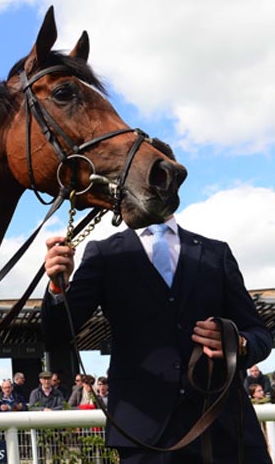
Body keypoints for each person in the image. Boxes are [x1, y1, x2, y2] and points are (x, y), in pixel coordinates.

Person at [43, 182, 272, 462]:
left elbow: (261, 334)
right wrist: (57, 289)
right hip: (144, 437)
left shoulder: (216, 252)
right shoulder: (103, 254)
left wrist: (240, 343)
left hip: (224, 427)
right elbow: (57, 333)